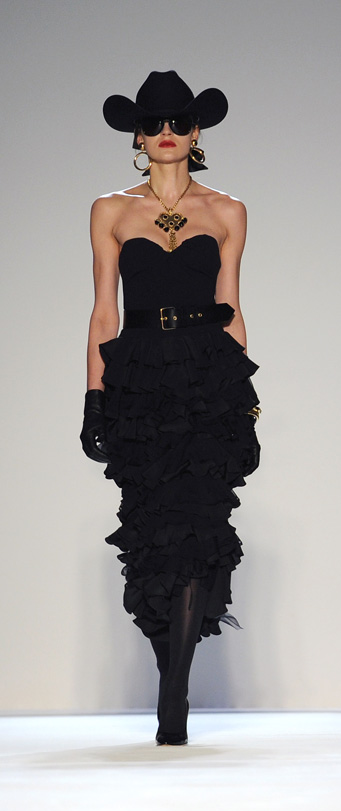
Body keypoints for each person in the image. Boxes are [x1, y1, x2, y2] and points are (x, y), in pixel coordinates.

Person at [81, 70, 260, 746]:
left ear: (196, 132)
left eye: (178, 123)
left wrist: (244, 402)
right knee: (151, 537)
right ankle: (173, 680)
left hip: (207, 378)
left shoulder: (227, 211)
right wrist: (94, 398)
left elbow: (232, 309)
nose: (165, 133)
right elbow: (104, 312)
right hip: (139, 382)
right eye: (153, 123)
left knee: (197, 529)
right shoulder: (110, 211)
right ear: (137, 135)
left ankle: (173, 695)